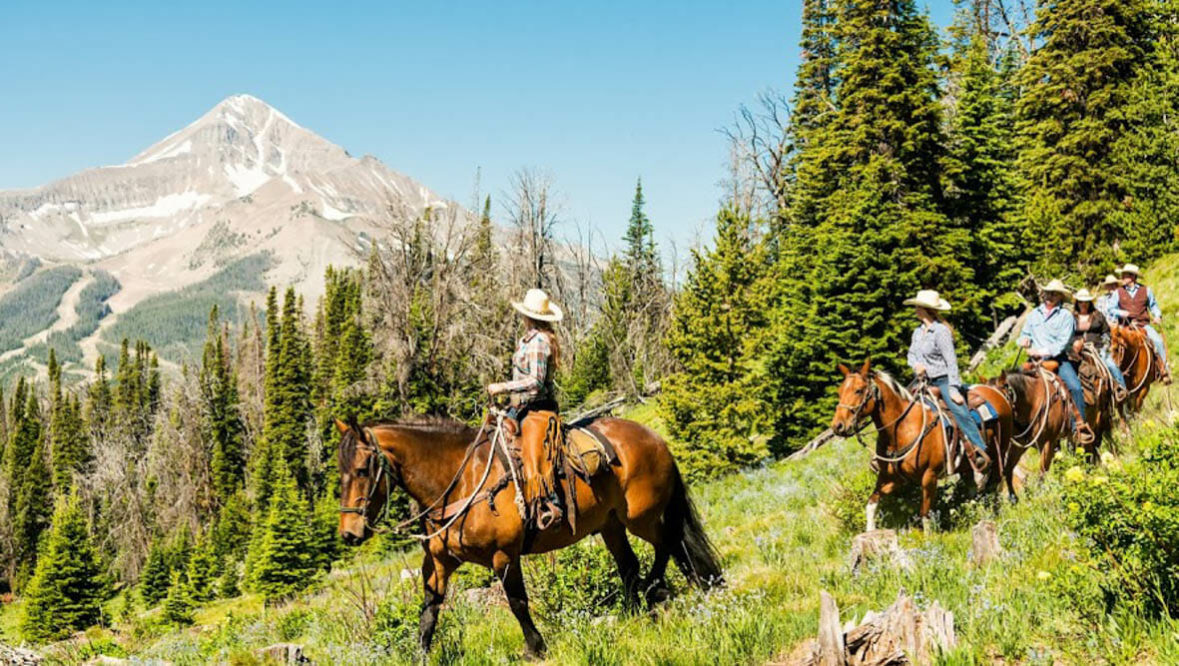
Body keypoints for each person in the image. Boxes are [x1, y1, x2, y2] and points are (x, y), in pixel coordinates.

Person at [487, 288, 565, 529]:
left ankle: (550, 503)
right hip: (519, 406)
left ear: (529, 316)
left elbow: (536, 381)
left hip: (538, 408)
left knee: (534, 451)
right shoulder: (527, 340)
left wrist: (504, 387)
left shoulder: (540, 342)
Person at [904, 289, 989, 471]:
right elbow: (911, 355)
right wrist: (916, 365)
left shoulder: (941, 331)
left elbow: (951, 361)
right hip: (923, 383)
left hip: (943, 380)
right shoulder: (917, 333)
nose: (915, 310)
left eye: (918, 307)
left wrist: (953, 388)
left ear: (926, 309)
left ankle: (979, 449)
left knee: (959, 411)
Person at [1018, 279, 1087, 425]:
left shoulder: (1066, 316)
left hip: (1058, 359)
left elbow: (1061, 343)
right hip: (1034, 361)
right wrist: (1023, 340)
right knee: (1013, 385)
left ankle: (1079, 426)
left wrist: (1040, 351)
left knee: (1075, 387)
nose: (1050, 296)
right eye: (1048, 293)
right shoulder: (1033, 315)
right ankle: (1019, 427)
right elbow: (1024, 334)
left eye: (1054, 294)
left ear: (1061, 297)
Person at [1108, 263, 1171, 384]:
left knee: (1157, 341)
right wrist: (1121, 312)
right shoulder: (1118, 292)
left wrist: (1157, 316)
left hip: (1143, 325)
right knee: (1113, 345)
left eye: (1124, 275)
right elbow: (1110, 308)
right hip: (1125, 327)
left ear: (1132, 277)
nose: (1122, 277)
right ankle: (1111, 373)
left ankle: (1163, 370)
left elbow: (1154, 306)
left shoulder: (1146, 290)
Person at [1071, 288, 1126, 393]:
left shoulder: (1098, 315)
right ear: (1077, 303)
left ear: (1090, 302)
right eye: (1081, 302)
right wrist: (1073, 344)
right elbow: (1067, 335)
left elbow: (1106, 332)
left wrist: (1105, 345)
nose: (1083, 304)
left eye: (1086, 302)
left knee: (1111, 365)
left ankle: (1121, 389)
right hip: (1077, 351)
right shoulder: (1071, 317)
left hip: (1097, 348)